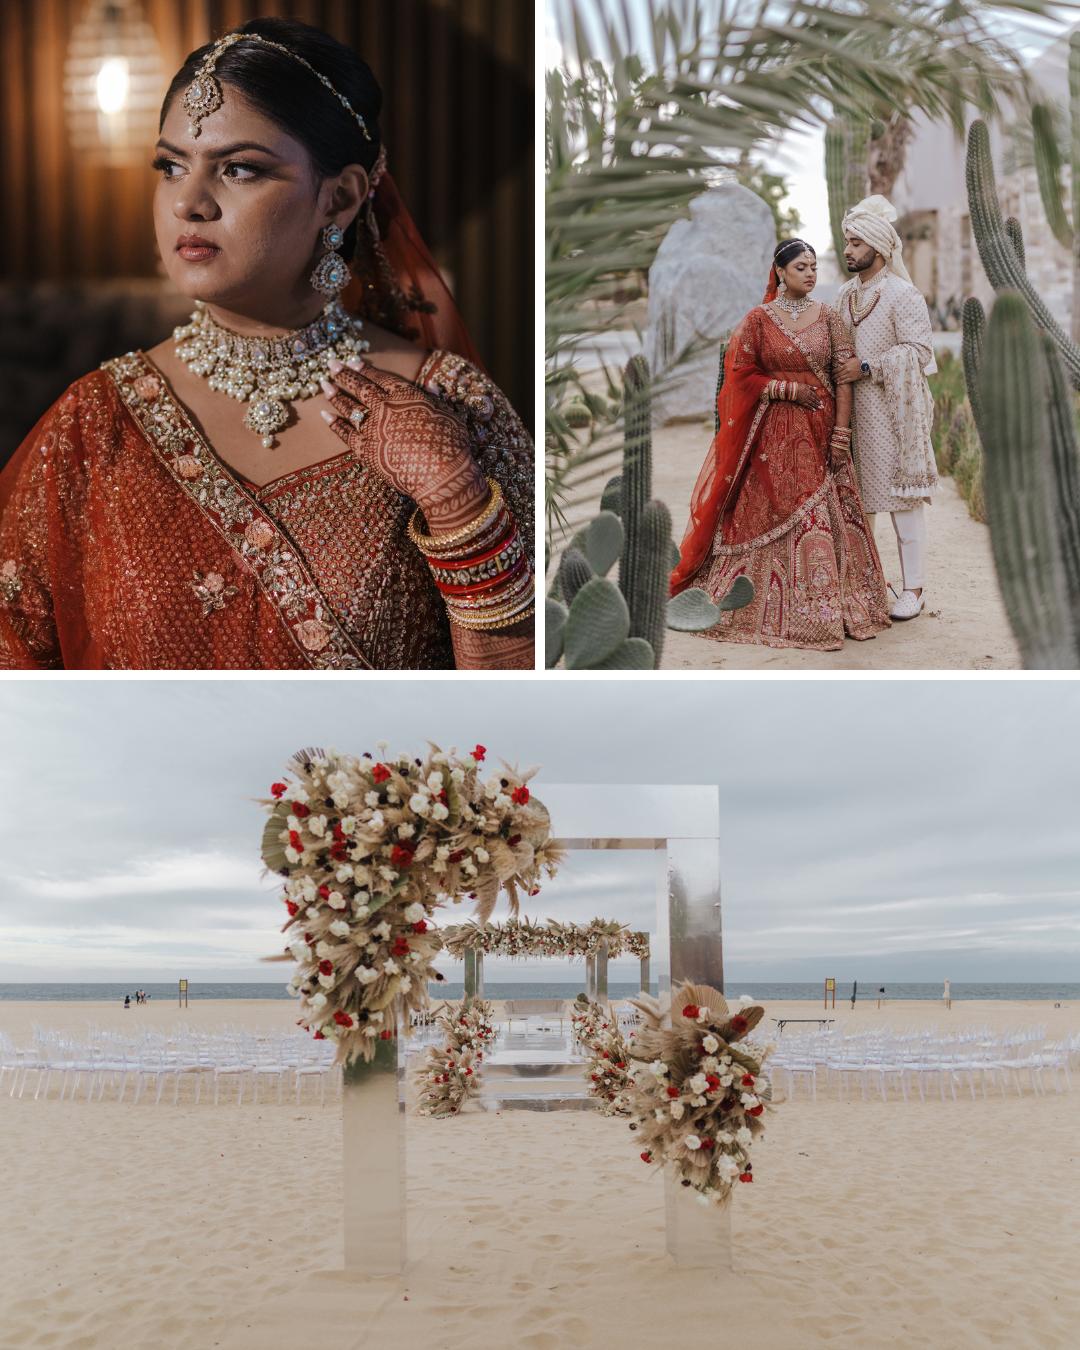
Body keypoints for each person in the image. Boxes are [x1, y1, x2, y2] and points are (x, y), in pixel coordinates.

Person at [0, 19, 533, 671]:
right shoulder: (92, 425)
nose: (189, 203)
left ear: (339, 198)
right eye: (171, 166)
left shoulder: (448, 403)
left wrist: (457, 503)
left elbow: (527, 712)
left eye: (240, 169)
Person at [671, 238, 891, 650]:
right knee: (770, 511)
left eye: (813, 267)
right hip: (772, 437)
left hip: (821, 432)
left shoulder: (828, 318)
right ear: (780, 272)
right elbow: (739, 373)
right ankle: (773, 608)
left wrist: (842, 434)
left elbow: (843, 377)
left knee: (822, 518)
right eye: (801, 268)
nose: (810, 274)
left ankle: (827, 611)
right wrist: (785, 388)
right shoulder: (758, 319)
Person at [837, 195, 938, 623]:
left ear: (878, 249)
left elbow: (919, 351)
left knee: (902, 502)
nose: (848, 250)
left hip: (895, 416)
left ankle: (913, 589)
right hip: (852, 416)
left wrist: (867, 367)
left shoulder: (903, 295)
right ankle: (870, 587)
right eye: (847, 242)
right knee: (859, 506)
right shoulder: (844, 295)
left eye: (856, 243)